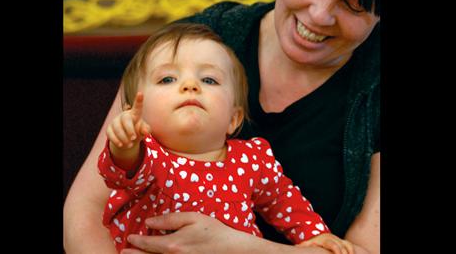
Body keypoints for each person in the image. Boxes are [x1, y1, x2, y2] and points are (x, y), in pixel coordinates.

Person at [64, 0, 380, 253]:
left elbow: (326, 230)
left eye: (354, 5)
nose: (319, 15)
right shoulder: (187, 47)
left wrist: (240, 248)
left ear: (235, 118)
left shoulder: (254, 160)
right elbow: (88, 206)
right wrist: (125, 147)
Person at [99, 23, 354, 254]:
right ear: (136, 113)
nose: (190, 85)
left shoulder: (251, 159)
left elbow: (282, 200)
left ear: (234, 119)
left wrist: (314, 234)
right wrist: (125, 141)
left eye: (209, 79)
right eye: (167, 79)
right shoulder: (149, 157)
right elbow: (123, 169)